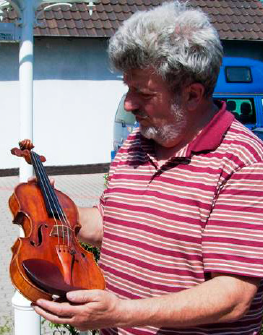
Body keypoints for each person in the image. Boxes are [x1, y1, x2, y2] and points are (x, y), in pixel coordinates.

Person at [33, 1, 263, 334]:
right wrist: (58, 210)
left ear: (193, 95)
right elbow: (111, 224)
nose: (128, 103)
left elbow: (232, 296)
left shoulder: (243, 162)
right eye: (127, 88)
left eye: (142, 92)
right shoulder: (136, 144)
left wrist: (122, 313)